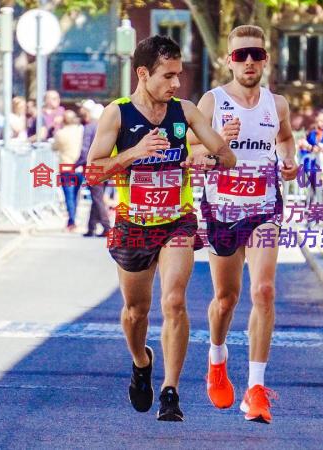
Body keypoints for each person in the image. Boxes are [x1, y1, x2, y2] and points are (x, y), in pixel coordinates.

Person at [85, 35, 237, 422]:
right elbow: (92, 170)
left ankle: (170, 390)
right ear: (142, 73)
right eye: (168, 76)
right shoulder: (117, 114)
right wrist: (135, 153)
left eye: (179, 75)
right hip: (133, 223)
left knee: (174, 300)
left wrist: (205, 161)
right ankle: (142, 361)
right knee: (136, 310)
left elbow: (226, 156)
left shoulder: (185, 112)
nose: (176, 83)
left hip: (177, 221)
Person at [187, 24, 298, 425]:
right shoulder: (212, 101)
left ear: (266, 58)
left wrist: (289, 160)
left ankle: (255, 390)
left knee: (264, 291)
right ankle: (216, 358)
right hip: (222, 208)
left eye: (255, 54)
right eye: (240, 56)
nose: (248, 61)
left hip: (265, 206)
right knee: (226, 299)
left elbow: (285, 138)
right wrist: (217, 139)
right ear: (228, 61)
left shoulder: (277, 104)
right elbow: (190, 150)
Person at [78, 100, 111, 237]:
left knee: (97, 198)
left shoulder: (90, 127)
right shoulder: (108, 127)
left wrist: (78, 163)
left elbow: (85, 148)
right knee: (97, 197)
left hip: (93, 167)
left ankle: (107, 226)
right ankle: (91, 227)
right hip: (108, 165)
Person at [54, 110, 85, 231]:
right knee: (76, 195)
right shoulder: (80, 131)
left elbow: (54, 147)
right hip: (79, 167)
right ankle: (72, 219)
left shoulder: (60, 133)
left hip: (66, 167)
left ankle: (72, 221)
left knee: (69, 196)